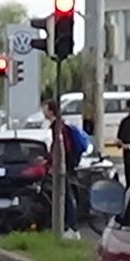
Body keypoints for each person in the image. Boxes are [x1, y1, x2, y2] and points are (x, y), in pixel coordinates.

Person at [42, 99, 88, 238]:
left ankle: (72, 229)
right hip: (66, 164)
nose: (43, 111)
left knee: (67, 196)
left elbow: (62, 148)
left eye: (44, 108)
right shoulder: (60, 125)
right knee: (66, 195)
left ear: (51, 110)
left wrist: (51, 160)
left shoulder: (58, 127)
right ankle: (69, 227)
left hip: (65, 166)